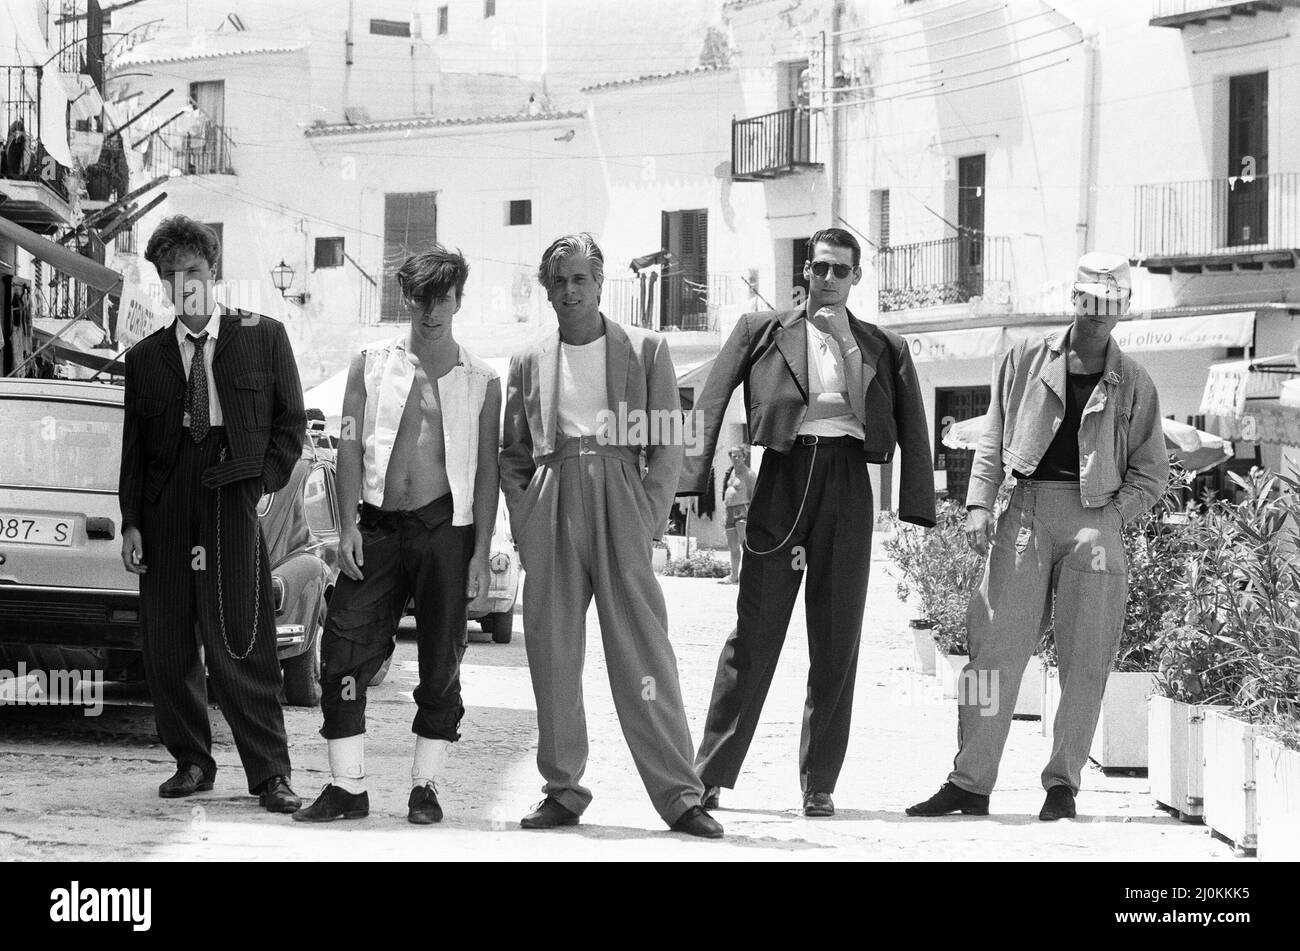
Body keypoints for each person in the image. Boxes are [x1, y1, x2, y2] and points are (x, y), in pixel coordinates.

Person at [679, 228, 936, 817]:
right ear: (806, 269)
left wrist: (917, 502)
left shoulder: (882, 346)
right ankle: (711, 771)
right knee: (755, 630)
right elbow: (712, 401)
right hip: (784, 477)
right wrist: (691, 481)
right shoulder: (762, 331)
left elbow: (912, 425)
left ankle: (819, 782)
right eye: (818, 268)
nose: (826, 279)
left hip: (848, 483)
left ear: (855, 279)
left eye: (839, 271)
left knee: (837, 636)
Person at [907, 252, 1167, 821]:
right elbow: (994, 434)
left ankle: (1063, 785)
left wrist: (1113, 515)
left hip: (1095, 522)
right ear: (1073, 300)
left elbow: (1153, 470)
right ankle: (969, 782)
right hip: (1023, 512)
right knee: (991, 652)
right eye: (1089, 303)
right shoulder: (1025, 357)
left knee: (1087, 657)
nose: (1098, 316)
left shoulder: (1136, 382)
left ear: (1124, 309)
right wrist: (979, 502)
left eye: (1110, 306)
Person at [500, 233, 722, 838]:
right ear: (547, 292)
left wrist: (648, 514)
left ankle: (680, 794)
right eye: (559, 281)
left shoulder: (645, 349)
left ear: (599, 283)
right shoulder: (527, 360)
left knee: (644, 651)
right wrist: (524, 517)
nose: (570, 290)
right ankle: (563, 788)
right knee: (552, 651)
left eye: (580, 279)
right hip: (552, 499)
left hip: (621, 492)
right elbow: (512, 452)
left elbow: (666, 441)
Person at [294, 246, 500, 825]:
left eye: (442, 298)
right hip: (378, 525)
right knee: (343, 651)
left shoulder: (482, 381)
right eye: (419, 299)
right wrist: (347, 524)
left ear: (458, 298)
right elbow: (351, 443)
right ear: (405, 299)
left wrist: (482, 552)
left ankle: (426, 786)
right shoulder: (370, 363)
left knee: (441, 660)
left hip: (446, 529)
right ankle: (347, 787)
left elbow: (487, 472)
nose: (431, 311)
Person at [119, 216, 304, 812]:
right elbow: (134, 451)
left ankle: (271, 773)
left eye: (193, 272)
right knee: (167, 645)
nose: (185, 285)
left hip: (230, 495)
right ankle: (193, 761)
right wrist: (131, 522)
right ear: (163, 286)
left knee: (242, 641)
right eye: (172, 277)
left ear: (213, 273)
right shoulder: (144, 359)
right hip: (165, 501)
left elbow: (290, 427)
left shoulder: (264, 336)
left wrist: (260, 484)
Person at [720, 445, 756, 584]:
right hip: (729, 511)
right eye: (733, 456)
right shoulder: (731, 472)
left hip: (742, 510)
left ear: (744, 457)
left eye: (739, 456)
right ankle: (734, 576)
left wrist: (752, 515)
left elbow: (754, 495)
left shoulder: (749, 474)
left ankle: (749, 576)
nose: (736, 458)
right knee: (732, 546)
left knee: (744, 544)